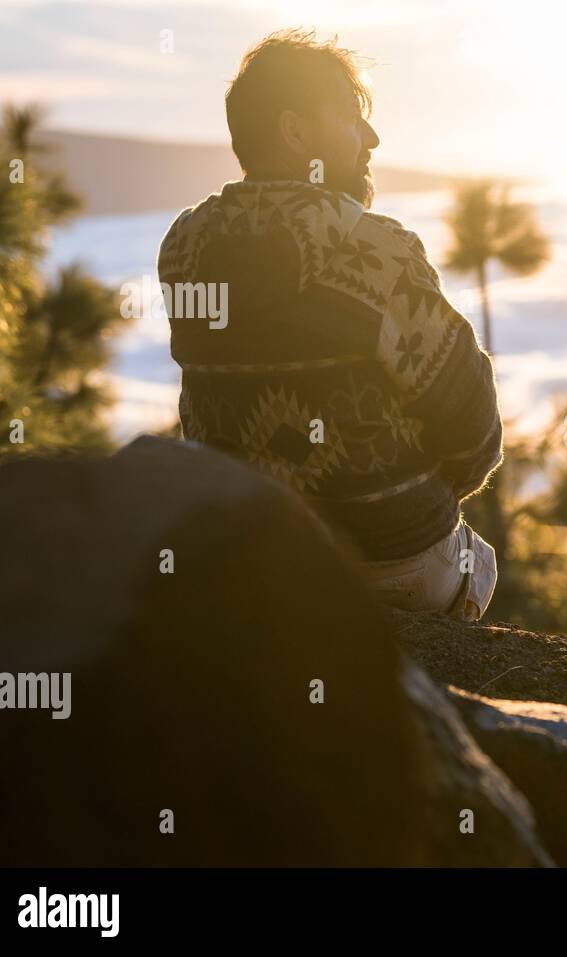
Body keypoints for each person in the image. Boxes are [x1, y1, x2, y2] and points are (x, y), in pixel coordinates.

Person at [157, 29, 500, 620]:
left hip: (251, 555)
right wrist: (413, 503)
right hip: (393, 564)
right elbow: (471, 425)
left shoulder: (184, 245)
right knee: (479, 561)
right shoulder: (378, 249)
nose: (370, 138)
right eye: (352, 116)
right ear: (296, 132)